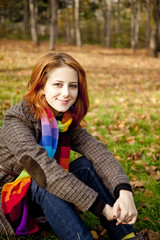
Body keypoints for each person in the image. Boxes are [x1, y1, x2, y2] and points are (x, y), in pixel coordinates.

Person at [0, 52, 144, 240]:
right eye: (58, 84)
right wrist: (102, 207)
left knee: (85, 165)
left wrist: (124, 192)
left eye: (72, 86)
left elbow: (98, 152)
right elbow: (44, 172)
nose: (66, 93)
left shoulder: (62, 121)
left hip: (42, 193)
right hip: (9, 201)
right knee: (42, 181)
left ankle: (125, 236)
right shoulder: (17, 121)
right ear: (41, 87)